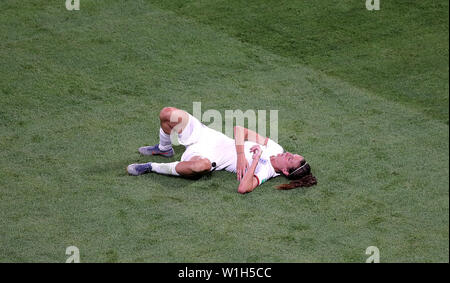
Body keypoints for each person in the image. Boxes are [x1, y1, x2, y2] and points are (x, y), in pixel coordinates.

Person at [127, 107, 317, 193]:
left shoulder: (267, 171)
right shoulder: (275, 147)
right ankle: (164, 148)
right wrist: (242, 156)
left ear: (284, 171)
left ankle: (151, 166)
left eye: (290, 158)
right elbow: (239, 130)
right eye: (293, 154)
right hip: (207, 136)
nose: (288, 153)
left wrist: (256, 160)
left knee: (202, 166)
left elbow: (243, 188)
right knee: (168, 114)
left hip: (208, 156)